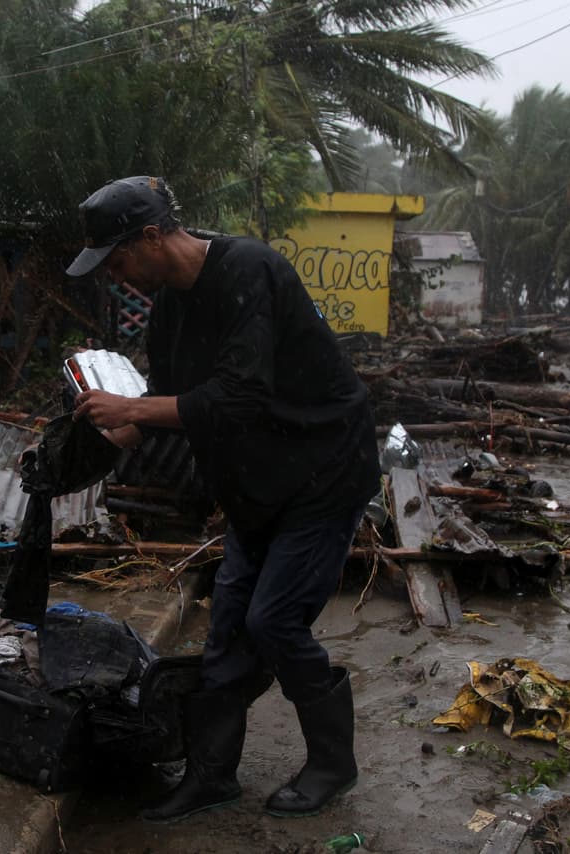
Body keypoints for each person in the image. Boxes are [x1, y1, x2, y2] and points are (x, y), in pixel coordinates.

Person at [68, 176, 381, 821]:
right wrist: (107, 432)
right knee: (229, 624)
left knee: (275, 620)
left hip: (323, 470)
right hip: (258, 482)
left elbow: (238, 397)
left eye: (119, 260)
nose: (119, 276)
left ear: (151, 236)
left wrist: (135, 406)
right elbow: (169, 402)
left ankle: (332, 763)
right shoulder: (171, 306)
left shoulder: (249, 271)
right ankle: (211, 777)